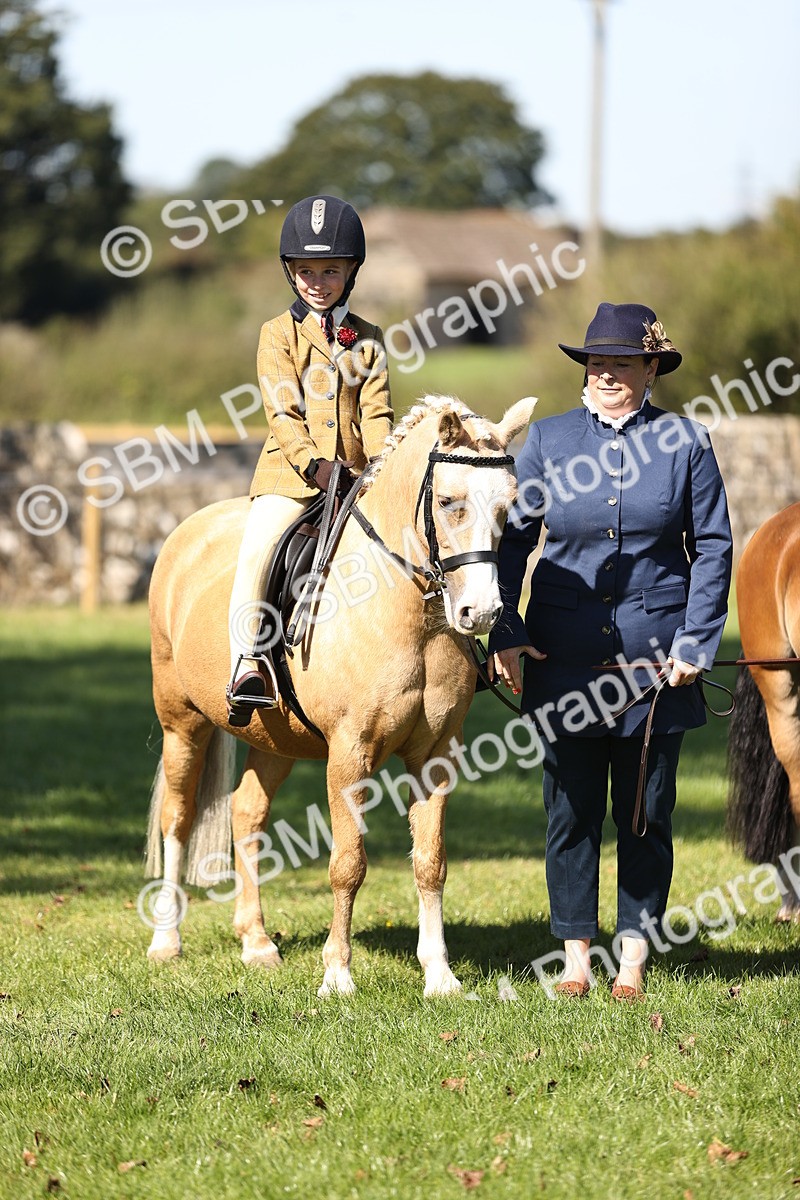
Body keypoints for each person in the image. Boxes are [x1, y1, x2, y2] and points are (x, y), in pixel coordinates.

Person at [488, 303, 732, 999]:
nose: (607, 375)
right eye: (598, 363)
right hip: (561, 660)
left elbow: (712, 546)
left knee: (645, 812)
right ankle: (573, 955)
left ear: (652, 369)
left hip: (658, 665)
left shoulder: (687, 443)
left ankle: (632, 953)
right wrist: (506, 628)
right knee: (569, 811)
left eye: (623, 363)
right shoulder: (546, 442)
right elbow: (511, 543)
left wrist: (696, 638)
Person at [226, 195, 394, 726]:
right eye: (306, 271)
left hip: (355, 479)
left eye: (330, 270)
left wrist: (381, 468)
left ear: (351, 272)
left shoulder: (367, 338)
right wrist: (313, 465)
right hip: (290, 475)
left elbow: (377, 412)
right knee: (260, 547)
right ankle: (248, 661)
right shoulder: (276, 334)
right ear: (290, 273)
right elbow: (281, 409)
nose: (317, 281)